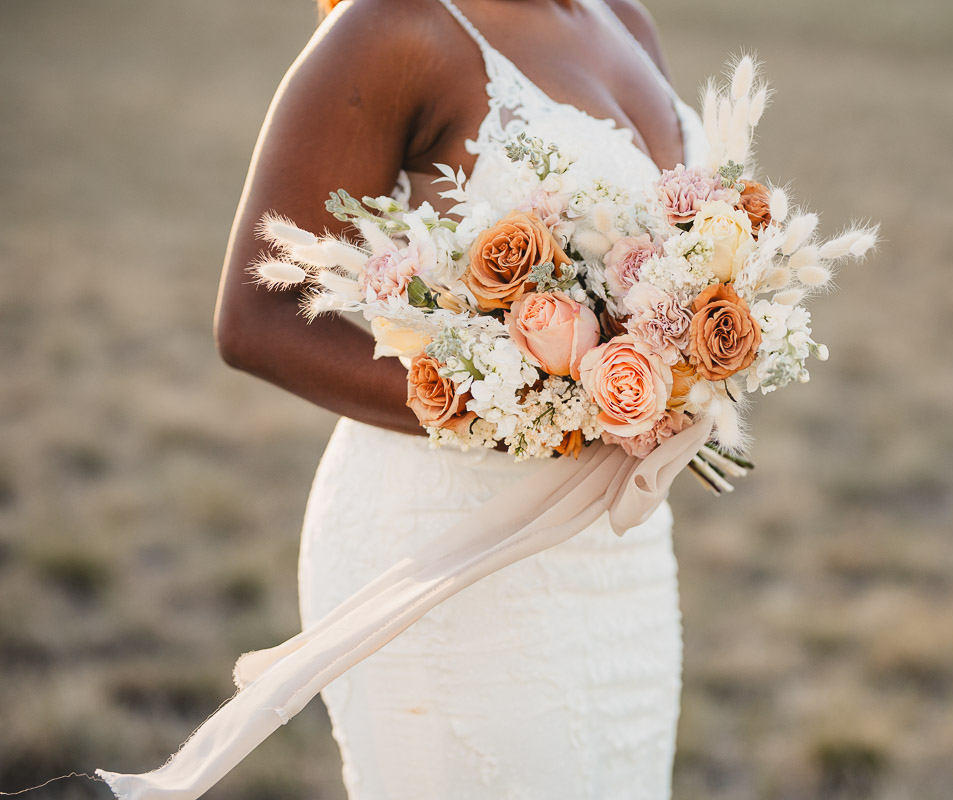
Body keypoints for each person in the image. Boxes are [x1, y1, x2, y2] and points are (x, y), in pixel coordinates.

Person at [214, 0, 708, 796]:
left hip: (618, 550)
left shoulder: (624, 19)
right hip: (447, 542)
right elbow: (255, 319)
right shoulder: (395, 28)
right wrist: (537, 411)